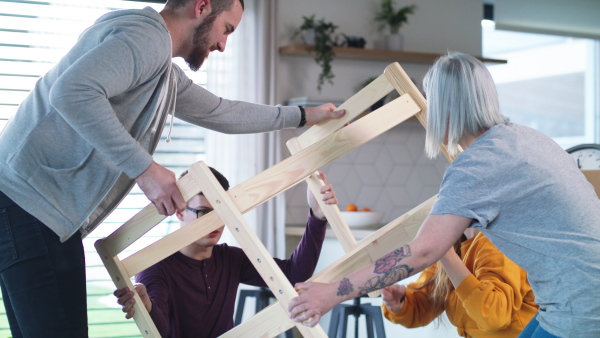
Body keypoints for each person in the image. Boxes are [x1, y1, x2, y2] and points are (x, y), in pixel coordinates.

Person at [0, 0, 344, 336]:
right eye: (226, 30)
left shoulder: (161, 69)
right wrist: (146, 170)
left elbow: (222, 112)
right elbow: (72, 93)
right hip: (29, 206)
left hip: (32, 210)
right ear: (202, 7)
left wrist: (304, 116)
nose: (223, 44)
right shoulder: (146, 37)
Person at [287, 51, 600, 338]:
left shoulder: (478, 164)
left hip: (582, 307)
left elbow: (423, 251)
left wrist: (333, 292)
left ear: (443, 107)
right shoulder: (527, 139)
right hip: (575, 297)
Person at [113, 168, 337, 338]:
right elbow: (159, 331)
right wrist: (145, 305)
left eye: (221, 213)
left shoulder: (230, 258)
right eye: (204, 212)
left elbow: (291, 276)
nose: (215, 223)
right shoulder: (156, 265)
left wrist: (317, 216)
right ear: (180, 213)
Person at [381, 228, 538, 338]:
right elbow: (426, 300)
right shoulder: (456, 244)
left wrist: (446, 255)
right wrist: (401, 304)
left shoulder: (498, 243)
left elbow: (493, 315)